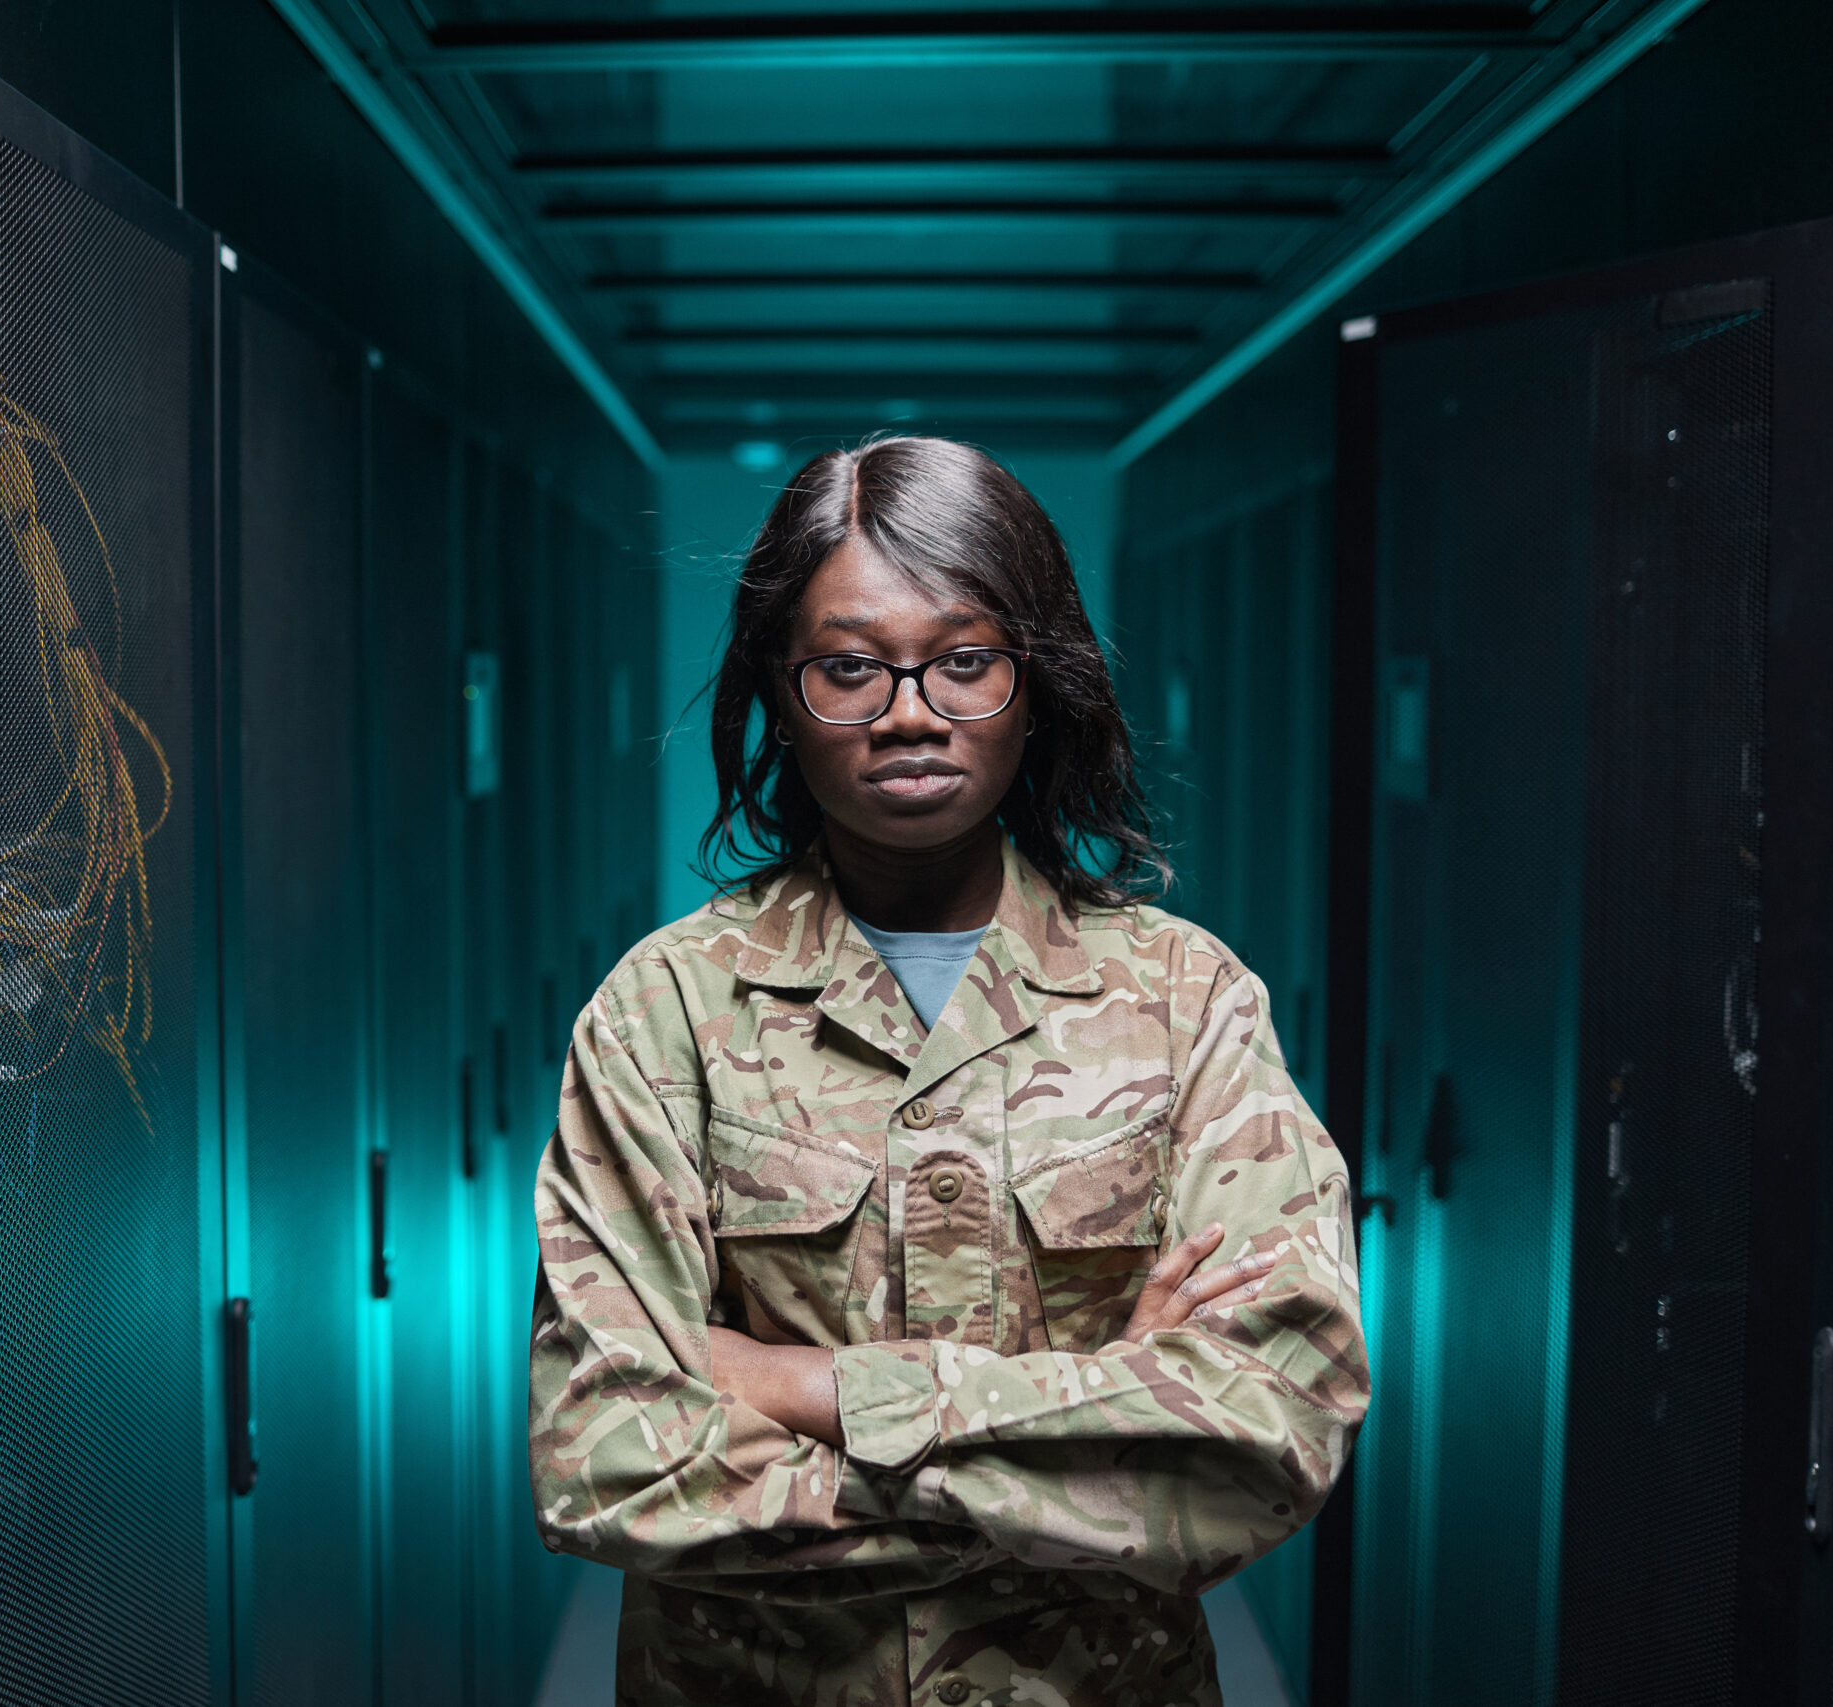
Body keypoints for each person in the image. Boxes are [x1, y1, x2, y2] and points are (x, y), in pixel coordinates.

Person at [526, 437, 1368, 1706]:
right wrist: (1092, 1442)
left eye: (964, 662)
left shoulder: (1184, 1001)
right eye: (850, 667)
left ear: (1038, 685)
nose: (911, 710)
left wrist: (794, 1384)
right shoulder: (667, 1015)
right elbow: (603, 1455)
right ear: (779, 690)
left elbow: (1265, 1439)